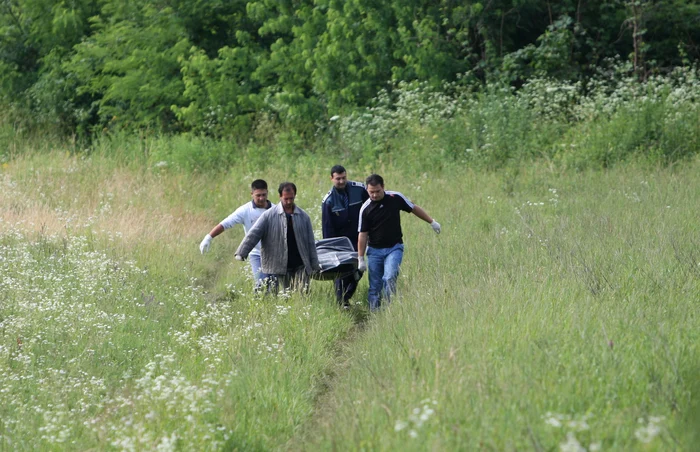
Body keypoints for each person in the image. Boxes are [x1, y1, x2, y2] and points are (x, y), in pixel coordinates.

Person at [357, 174, 441, 311]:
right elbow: (362, 234)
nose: (374, 195)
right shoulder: (365, 209)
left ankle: (390, 310)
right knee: (375, 286)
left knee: (389, 278)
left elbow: (413, 208)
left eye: (377, 191)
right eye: (371, 192)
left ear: (383, 187)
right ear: (367, 190)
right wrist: (360, 258)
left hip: (394, 248)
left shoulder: (395, 198)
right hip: (374, 251)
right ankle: (375, 314)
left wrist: (432, 222)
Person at [235, 182, 320, 294]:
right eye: (286, 199)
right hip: (281, 265)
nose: (289, 201)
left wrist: (315, 264)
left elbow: (310, 242)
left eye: (291, 198)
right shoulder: (269, 215)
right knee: (286, 295)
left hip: (301, 264)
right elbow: (254, 233)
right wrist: (242, 252)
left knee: (303, 293)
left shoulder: (303, 217)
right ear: (280, 196)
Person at [199, 179, 272, 289]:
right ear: (252, 194)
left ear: (267, 192)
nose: (261, 198)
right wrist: (209, 237)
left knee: (273, 285)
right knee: (261, 284)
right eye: (258, 195)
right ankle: (259, 303)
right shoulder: (245, 210)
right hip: (256, 253)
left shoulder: (275, 210)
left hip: (274, 254)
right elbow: (226, 223)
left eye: (264, 195)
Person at [322, 165, 370, 308]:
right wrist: (330, 250)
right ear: (331, 179)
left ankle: (346, 296)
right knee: (341, 272)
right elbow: (327, 228)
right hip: (340, 242)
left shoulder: (360, 189)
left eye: (343, 178)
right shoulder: (328, 201)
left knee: (358, 270)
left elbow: (371, 208)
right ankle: (342, 301)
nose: (341, 181)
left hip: (360, 238)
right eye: (338, 179)